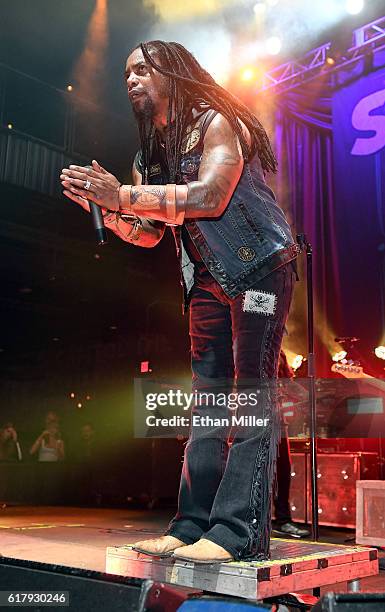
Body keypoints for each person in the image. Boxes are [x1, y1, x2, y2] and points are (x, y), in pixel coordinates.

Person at [60, 40, 299, 563]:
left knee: (251, 398)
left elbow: (211, 197)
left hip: (259, 270)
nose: (131, 79)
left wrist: (121, 195)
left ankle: (238, 533)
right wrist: (109, 208)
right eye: (126, 73)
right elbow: (148, 233)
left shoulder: (218, 121)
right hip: (207, 283)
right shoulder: (150, 154)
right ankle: (191, 526)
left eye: (142, 68)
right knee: (208, 403)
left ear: (172, 72)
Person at [273, 352, 310, 538]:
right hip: (255, 427)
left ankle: (283, 520)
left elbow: (305, 395)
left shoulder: (285, 382)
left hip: (279, 429)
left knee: (283, 475)